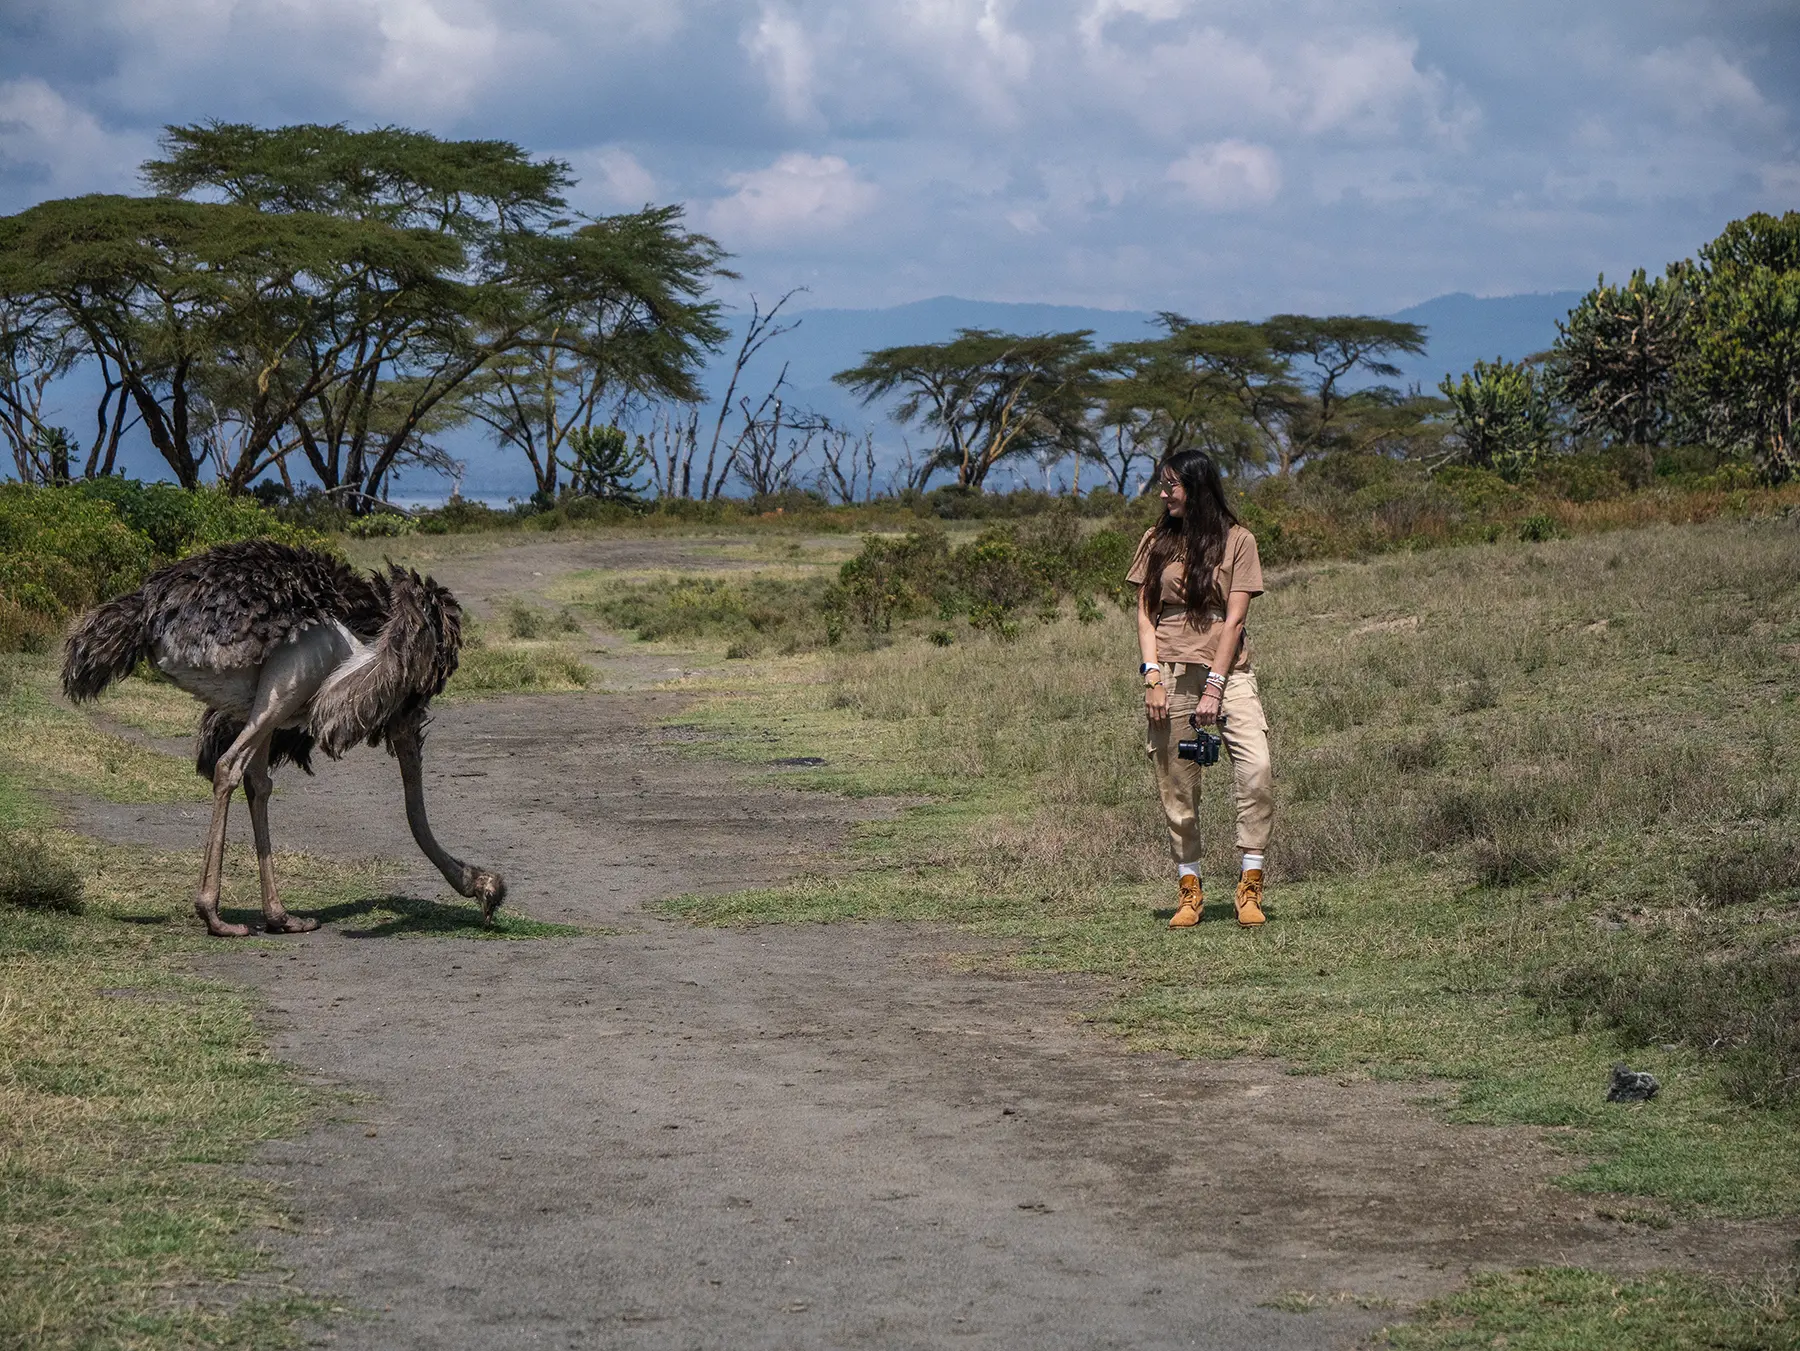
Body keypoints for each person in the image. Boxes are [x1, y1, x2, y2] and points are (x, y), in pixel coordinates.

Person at [1126, 449, 1274, 929]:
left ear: (1199, 486)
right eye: (1162, 484)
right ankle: (1189, 888)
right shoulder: (1156, 540)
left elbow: (1235, 621)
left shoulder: (1239, 541)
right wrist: (1151, 676)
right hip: (1169, 673)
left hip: (1229, 673)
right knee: (1177, 784)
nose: (1164, 493)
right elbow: (1145, 613)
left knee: (1256, 769)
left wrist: (1215, 685)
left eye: (1173, 484)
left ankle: (1250, 885)